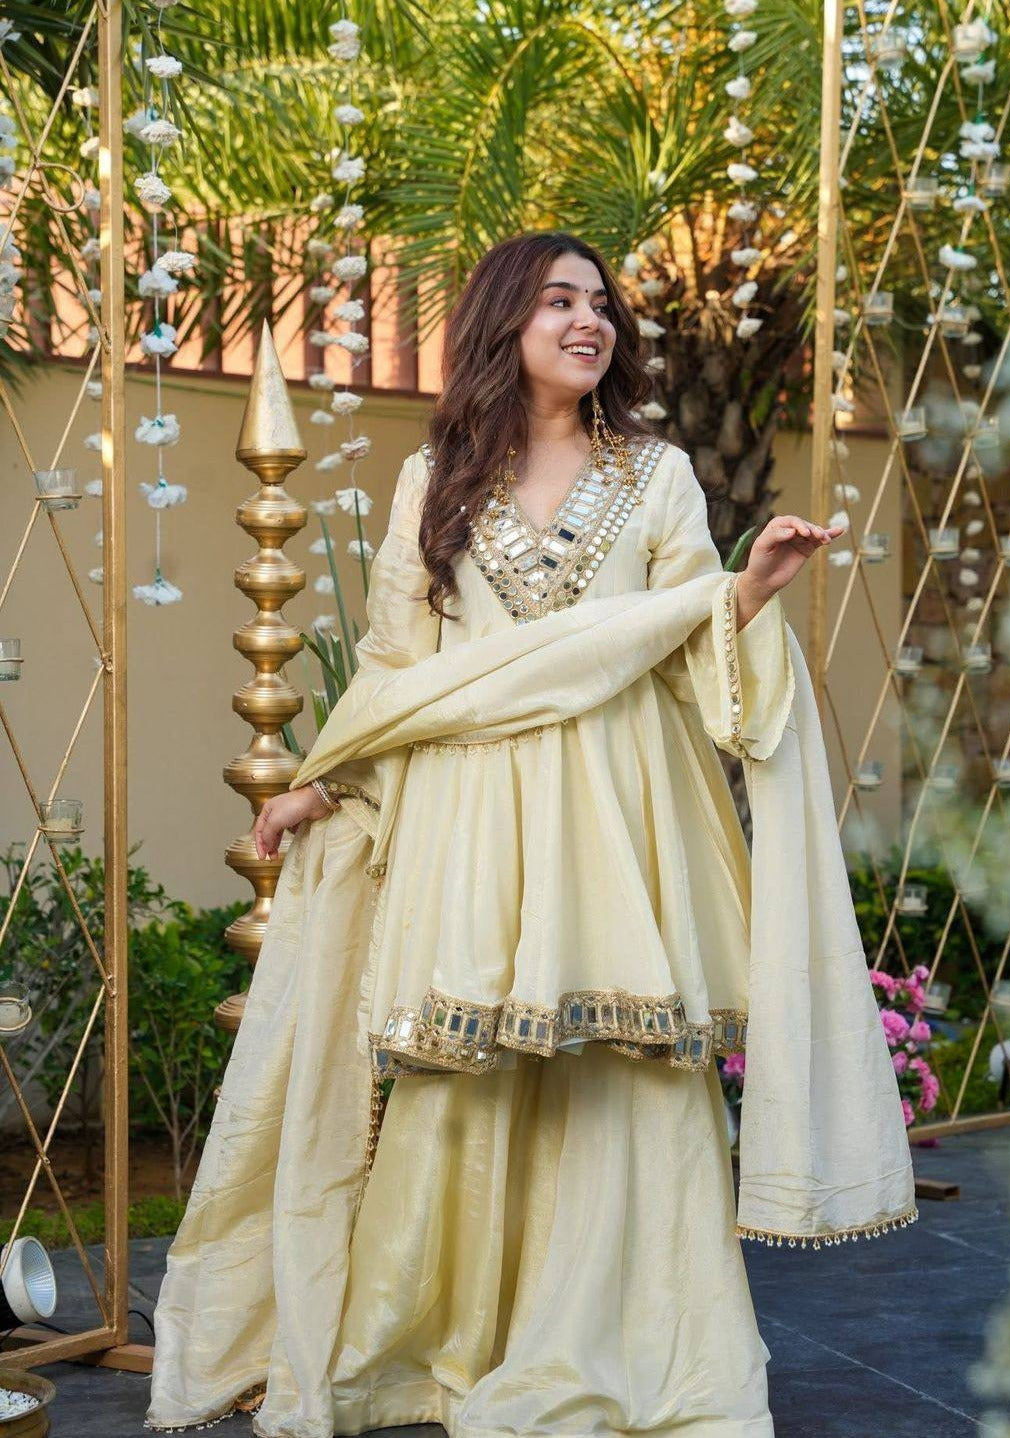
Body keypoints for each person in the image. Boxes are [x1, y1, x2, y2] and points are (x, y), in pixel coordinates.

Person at [145, 232, 917, 1438]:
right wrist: (323, 781)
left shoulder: (657, 474)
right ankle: (438, 1344)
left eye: (601, 305)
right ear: (503, 319)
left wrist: (754, 587)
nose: (587, 320)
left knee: (626, 1081)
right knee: (468, 1086)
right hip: (475, 811)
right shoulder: (434, 478)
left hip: (617, 811)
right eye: (559, 299)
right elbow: (399, 667)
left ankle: (644, 1357)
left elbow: (688, 633)